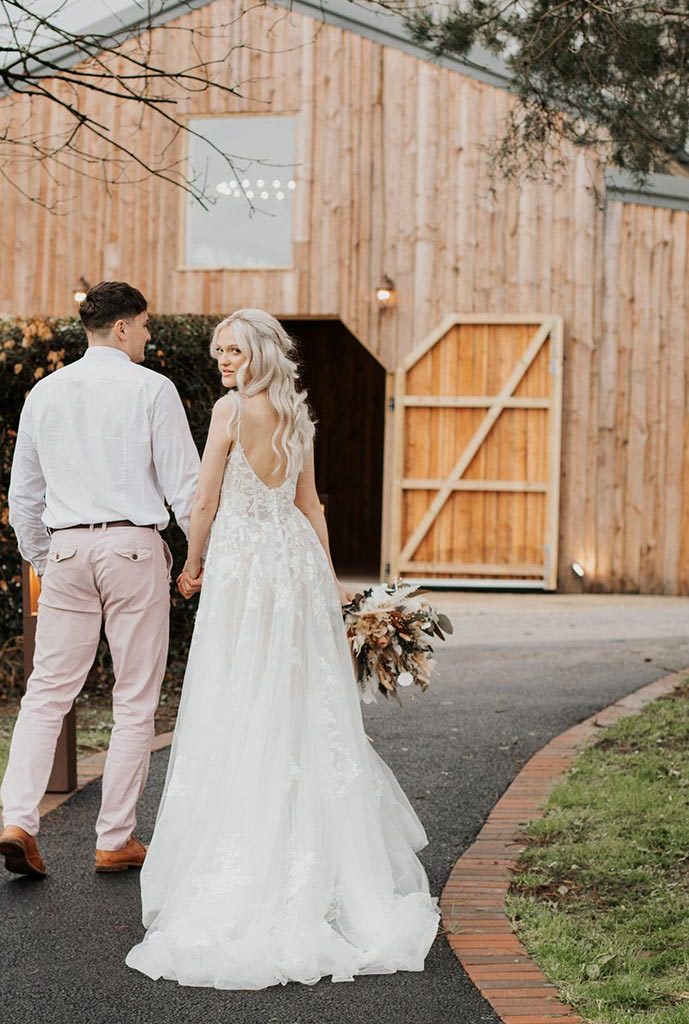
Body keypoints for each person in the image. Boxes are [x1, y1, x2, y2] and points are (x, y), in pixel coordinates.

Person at [125, 308, 440, 989]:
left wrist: (190, 563)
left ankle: (252, 849)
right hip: (290, 565)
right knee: (298, 693)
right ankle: (316, 850)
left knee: (241, 689)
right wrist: (326, 576)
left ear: (260, 351)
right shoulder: (297, 415)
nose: (223, 360)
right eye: (219, 352)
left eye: (233, 350)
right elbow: (310, 505)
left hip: (244, 568)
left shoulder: (230, 413)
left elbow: (205, 497)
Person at [0, 281, 200, 877]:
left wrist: (44, 557)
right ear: (121, 327)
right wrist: (199, 561)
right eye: (143, 325)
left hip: (65, 551)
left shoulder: (44, 393)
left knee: (47, 691)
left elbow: (22, 498)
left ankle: (18, 821)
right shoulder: (152, 389)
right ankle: (114, 839)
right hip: (133, 548)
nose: (148, 335)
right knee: (135, 698)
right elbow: (186, 489)